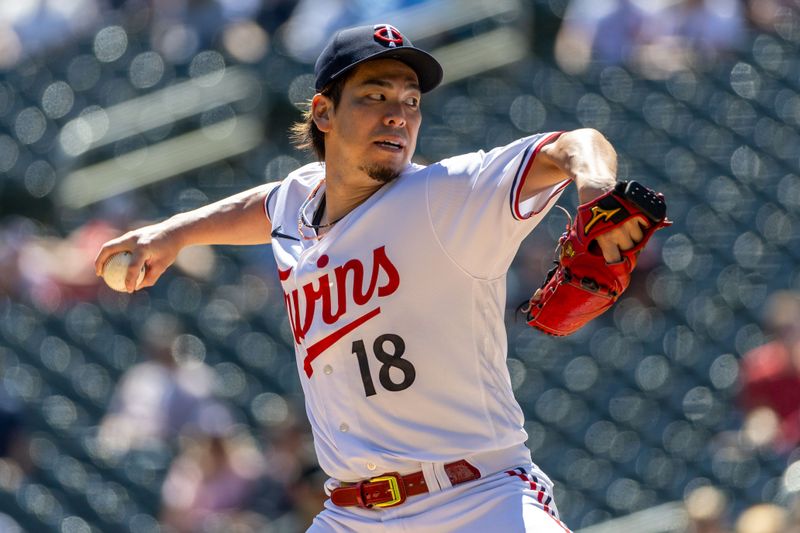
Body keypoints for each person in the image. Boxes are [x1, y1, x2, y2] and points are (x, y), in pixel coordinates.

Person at [96, 23, 650, 532]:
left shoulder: (443, 195)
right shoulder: (300, 201)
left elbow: (577, 143)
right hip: (350, 514)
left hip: (476, 500)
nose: (399, 114)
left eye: (411, 101)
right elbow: (266, 206)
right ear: (323, 113)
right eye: (375, 96)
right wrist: (172, 233)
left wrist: (595, 190)